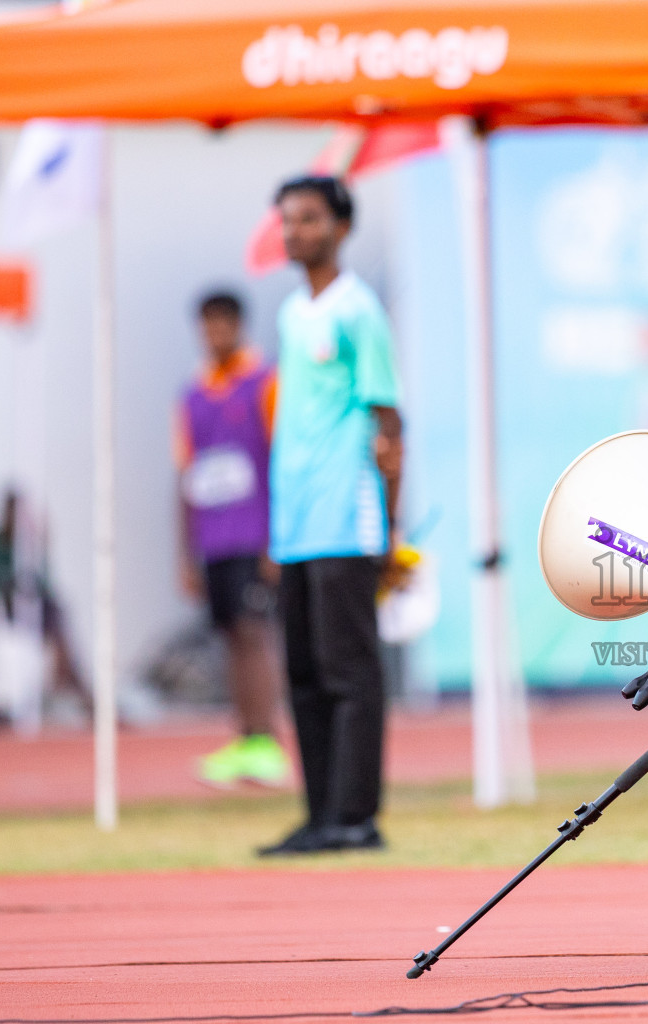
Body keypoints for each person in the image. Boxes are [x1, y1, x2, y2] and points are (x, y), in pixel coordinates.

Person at [257, 176, 404, 857]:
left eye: (309, 219)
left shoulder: (358, 311)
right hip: (296, 524)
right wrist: (274, 524)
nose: (295, 232)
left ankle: (355, 816)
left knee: (350, 670)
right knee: (305, 672)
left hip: (347, 516)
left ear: (341, 226)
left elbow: (387, 422)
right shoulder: (292, 314)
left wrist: (391, 525)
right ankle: (319, 815)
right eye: (287, 221)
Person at [175, 291, 290, 788]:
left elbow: (283, 460)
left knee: (254, 631)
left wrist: (275, 539)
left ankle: (267, 738)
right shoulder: (193, 397)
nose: (214, 334)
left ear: (238, 325)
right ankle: (244, 737)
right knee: (228, 635)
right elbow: (183, 477)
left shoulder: (263, 384)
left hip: (254, 534)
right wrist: (184, 552)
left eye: (223, 324)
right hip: (213, 539)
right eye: (206, 325)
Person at [0, 489, 90, 720]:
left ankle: (73, 683)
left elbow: (46, 587)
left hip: (29, 610)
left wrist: (44, 543)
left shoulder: (30, 545)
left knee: (58, 615)